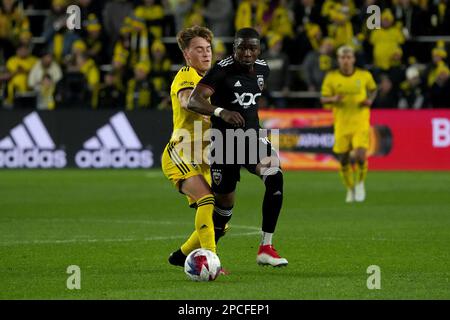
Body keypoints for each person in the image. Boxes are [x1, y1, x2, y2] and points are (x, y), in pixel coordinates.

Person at [188, 27, 288, 267]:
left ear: (259, 49)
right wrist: (222, 111)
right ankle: (202, 255)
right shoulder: (221, 70)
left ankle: (266, 247)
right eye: (241, 47)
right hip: (224, 143)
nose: (246, 52)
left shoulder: (264, 68)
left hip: (252, 139)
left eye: (252, 47)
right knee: (224, 206)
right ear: (234, 49)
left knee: (275, 177)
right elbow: (194, 99)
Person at [162, 26, 221, 267]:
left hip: (205, 157)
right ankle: (211, 259)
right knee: (206, 199)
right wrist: (212, 113)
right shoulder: (187, 74)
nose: (206, 54)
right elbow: (187, 100)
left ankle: (181, 255)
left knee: (221, 221)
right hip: (181, 151)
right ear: (187, 54)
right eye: (199, 49)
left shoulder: (214, 80)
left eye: (208, 49)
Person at [321, 45, 377, 203]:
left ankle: (360, 184)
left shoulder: (364, 75)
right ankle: (350, 188)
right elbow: (323, 98)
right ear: (338, 60)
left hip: (360, 122)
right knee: (344, 159)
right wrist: (333, 99)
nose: (346, 60)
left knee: (360, 155)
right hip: (341, 124)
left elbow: (373, 89)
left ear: (353, 59)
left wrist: (370, 100)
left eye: (348, 57)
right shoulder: (331, 77)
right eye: (342, 57)